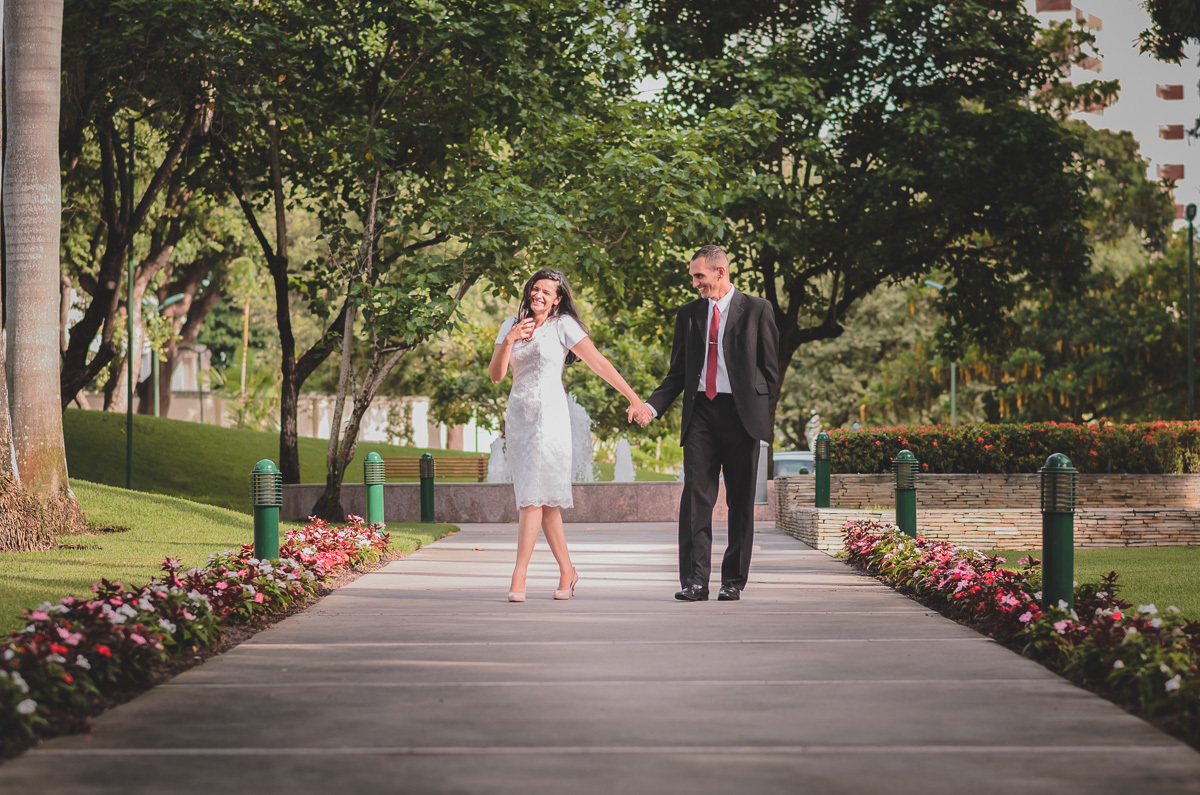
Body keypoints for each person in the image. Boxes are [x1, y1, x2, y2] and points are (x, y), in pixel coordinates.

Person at [629, 245, 779, 602]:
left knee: (741, 502)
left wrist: (759, 415)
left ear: (720, 272)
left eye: (700, 276)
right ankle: (695, 581)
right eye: (694, 277)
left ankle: (733, 581)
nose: (695, 283)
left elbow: (770, 373)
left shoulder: (758, 309)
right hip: (701, 416)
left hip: (742, 417)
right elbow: (678, 373)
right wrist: (651, 406)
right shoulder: (689, 315)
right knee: (696, 499)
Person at [489, 268, 643, 603]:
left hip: (551, 420)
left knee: (532, 498)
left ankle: (519, 576)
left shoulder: (563, 326)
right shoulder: (510, 325)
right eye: (535, 289)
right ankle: (568, 571)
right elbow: (496, 376)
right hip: (519, 419)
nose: (538, 295)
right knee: (542, 502)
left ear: (557, 299)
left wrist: (634, 398)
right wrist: (511, 338)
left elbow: (599, 363)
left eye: (547, 291)